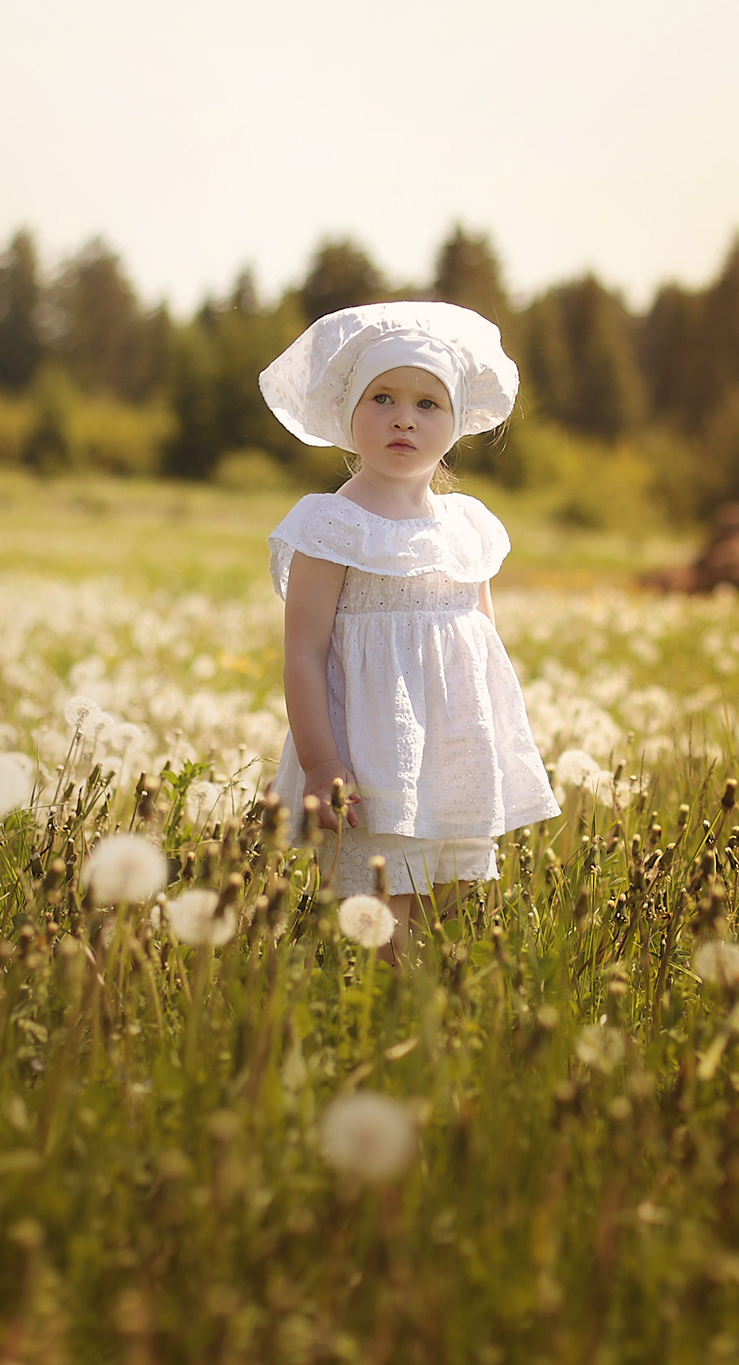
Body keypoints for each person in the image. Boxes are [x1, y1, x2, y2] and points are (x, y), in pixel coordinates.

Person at [260, 301, 559, 958]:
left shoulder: (468, 526)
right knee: (381, 906)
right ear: (348, 409)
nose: (404, 416)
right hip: (369, 753)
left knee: (443, 899)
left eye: (429, 404)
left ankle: (424, 1020)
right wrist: (321, 760)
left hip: (453, 750)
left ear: (456, 423)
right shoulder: (332, 526)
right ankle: (375, 1016)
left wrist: (498, 747)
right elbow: (304, 653)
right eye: (383, 397)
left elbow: (483, 641)